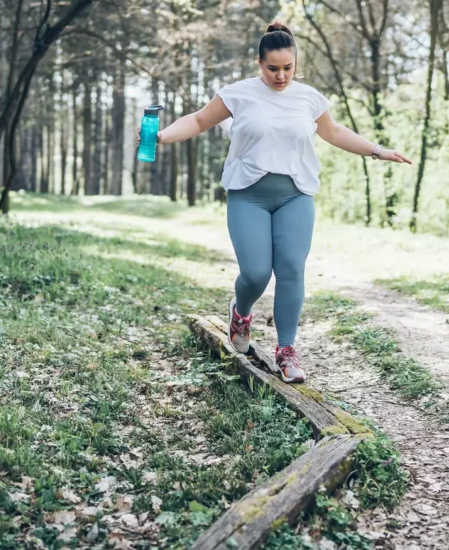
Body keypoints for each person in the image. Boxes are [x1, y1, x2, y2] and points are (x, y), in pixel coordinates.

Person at [136, 21, 411, 383]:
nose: (281, 76)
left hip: (295, 195)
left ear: (296, 63)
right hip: (248, 195)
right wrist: (161, 137)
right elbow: (200, 120)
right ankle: (241, 313)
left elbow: (334, 132)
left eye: (287, 68)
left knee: (292, 270)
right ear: (259, 63)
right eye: (272, 68)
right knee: (255, 273)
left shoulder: (309, 98)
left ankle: (287, 350)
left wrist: (378, 150)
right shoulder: (238, 94)